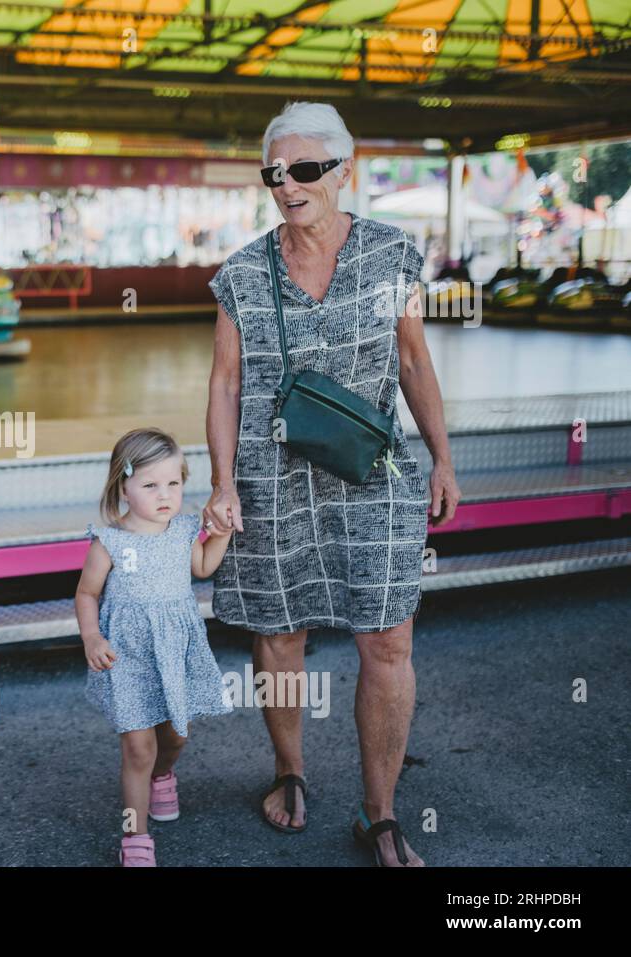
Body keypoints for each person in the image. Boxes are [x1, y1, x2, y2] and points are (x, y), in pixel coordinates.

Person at [204, 101, 461, 866]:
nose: (289, 185)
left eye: (306, 170)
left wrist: (444, 458)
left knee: (387, 637)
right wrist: (223, 482)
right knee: (280, 636)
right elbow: (224, 383)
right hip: (271, 476)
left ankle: (379, 811)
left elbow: (412, 361)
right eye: (275, 172)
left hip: (372, 471)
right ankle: (289, 769)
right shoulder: (243, 274)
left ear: (344, 172)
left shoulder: (390, 255)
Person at [75, 427, 233, 867]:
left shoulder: (183, 530)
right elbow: (86, 594)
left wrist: (219, 532)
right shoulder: (109, 542)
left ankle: (163, 775)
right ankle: (134, 836)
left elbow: (203, 566)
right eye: (149, 485)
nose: (164, 495)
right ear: (122, 487)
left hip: (176, 649)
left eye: (173, 483)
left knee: (177, 736)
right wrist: (92, 636)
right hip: (127, 654)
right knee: (137, 748)